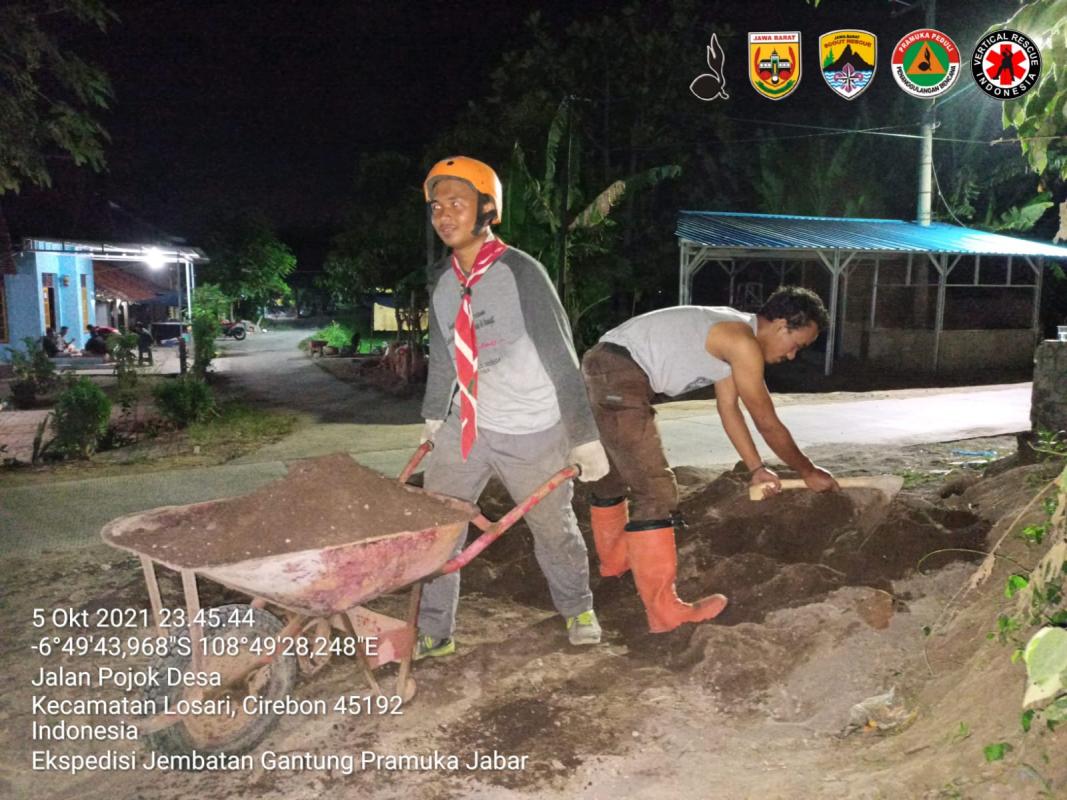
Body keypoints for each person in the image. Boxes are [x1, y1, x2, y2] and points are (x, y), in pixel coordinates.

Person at [416, 155, 610, 658]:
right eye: (437, 207)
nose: (444, 215)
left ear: (487, 208)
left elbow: (561, 356)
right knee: (435, 526)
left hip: (533, 428)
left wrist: (584, 435)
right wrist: (434, 415)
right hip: (468, 426)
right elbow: (443, 355)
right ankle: (434, 631)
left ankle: (578, 608)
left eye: (456, 203)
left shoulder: (521, 272)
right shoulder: (442, 282)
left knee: (553, 529)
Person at [582, 287, 840, 634]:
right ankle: (665, 612)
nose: (793, 355)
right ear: (782, 325)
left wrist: (757, 469)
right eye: (797, 344)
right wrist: (807, 471)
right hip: (618, 371)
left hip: (605, 365)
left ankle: (615, 564)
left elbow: (729, 409)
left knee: (613, 473)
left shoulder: (732, 338)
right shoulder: (742, 342)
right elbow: (766, 420)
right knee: (656, 491)